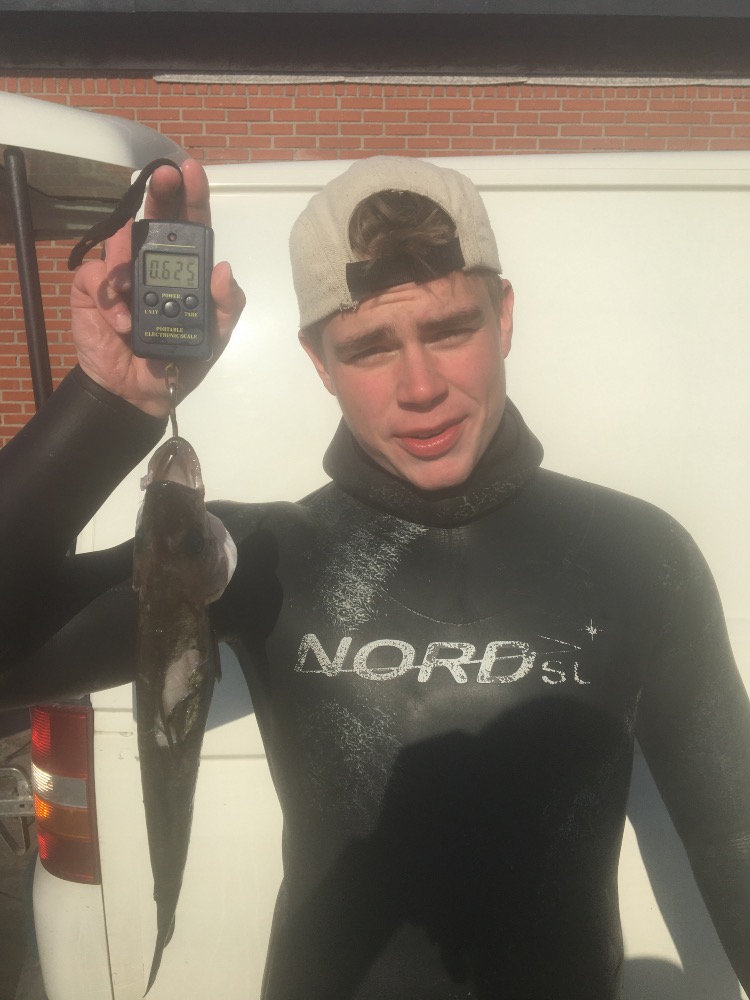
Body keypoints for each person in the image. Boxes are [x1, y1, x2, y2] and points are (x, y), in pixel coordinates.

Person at [0, 155, 749, 1000]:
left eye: (450, 330)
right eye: (368, 348)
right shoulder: (248, 556)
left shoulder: (637, 554)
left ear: (503, 316)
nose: (420, 388)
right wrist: (108, 405)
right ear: (319, 362)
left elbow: (734, 838)